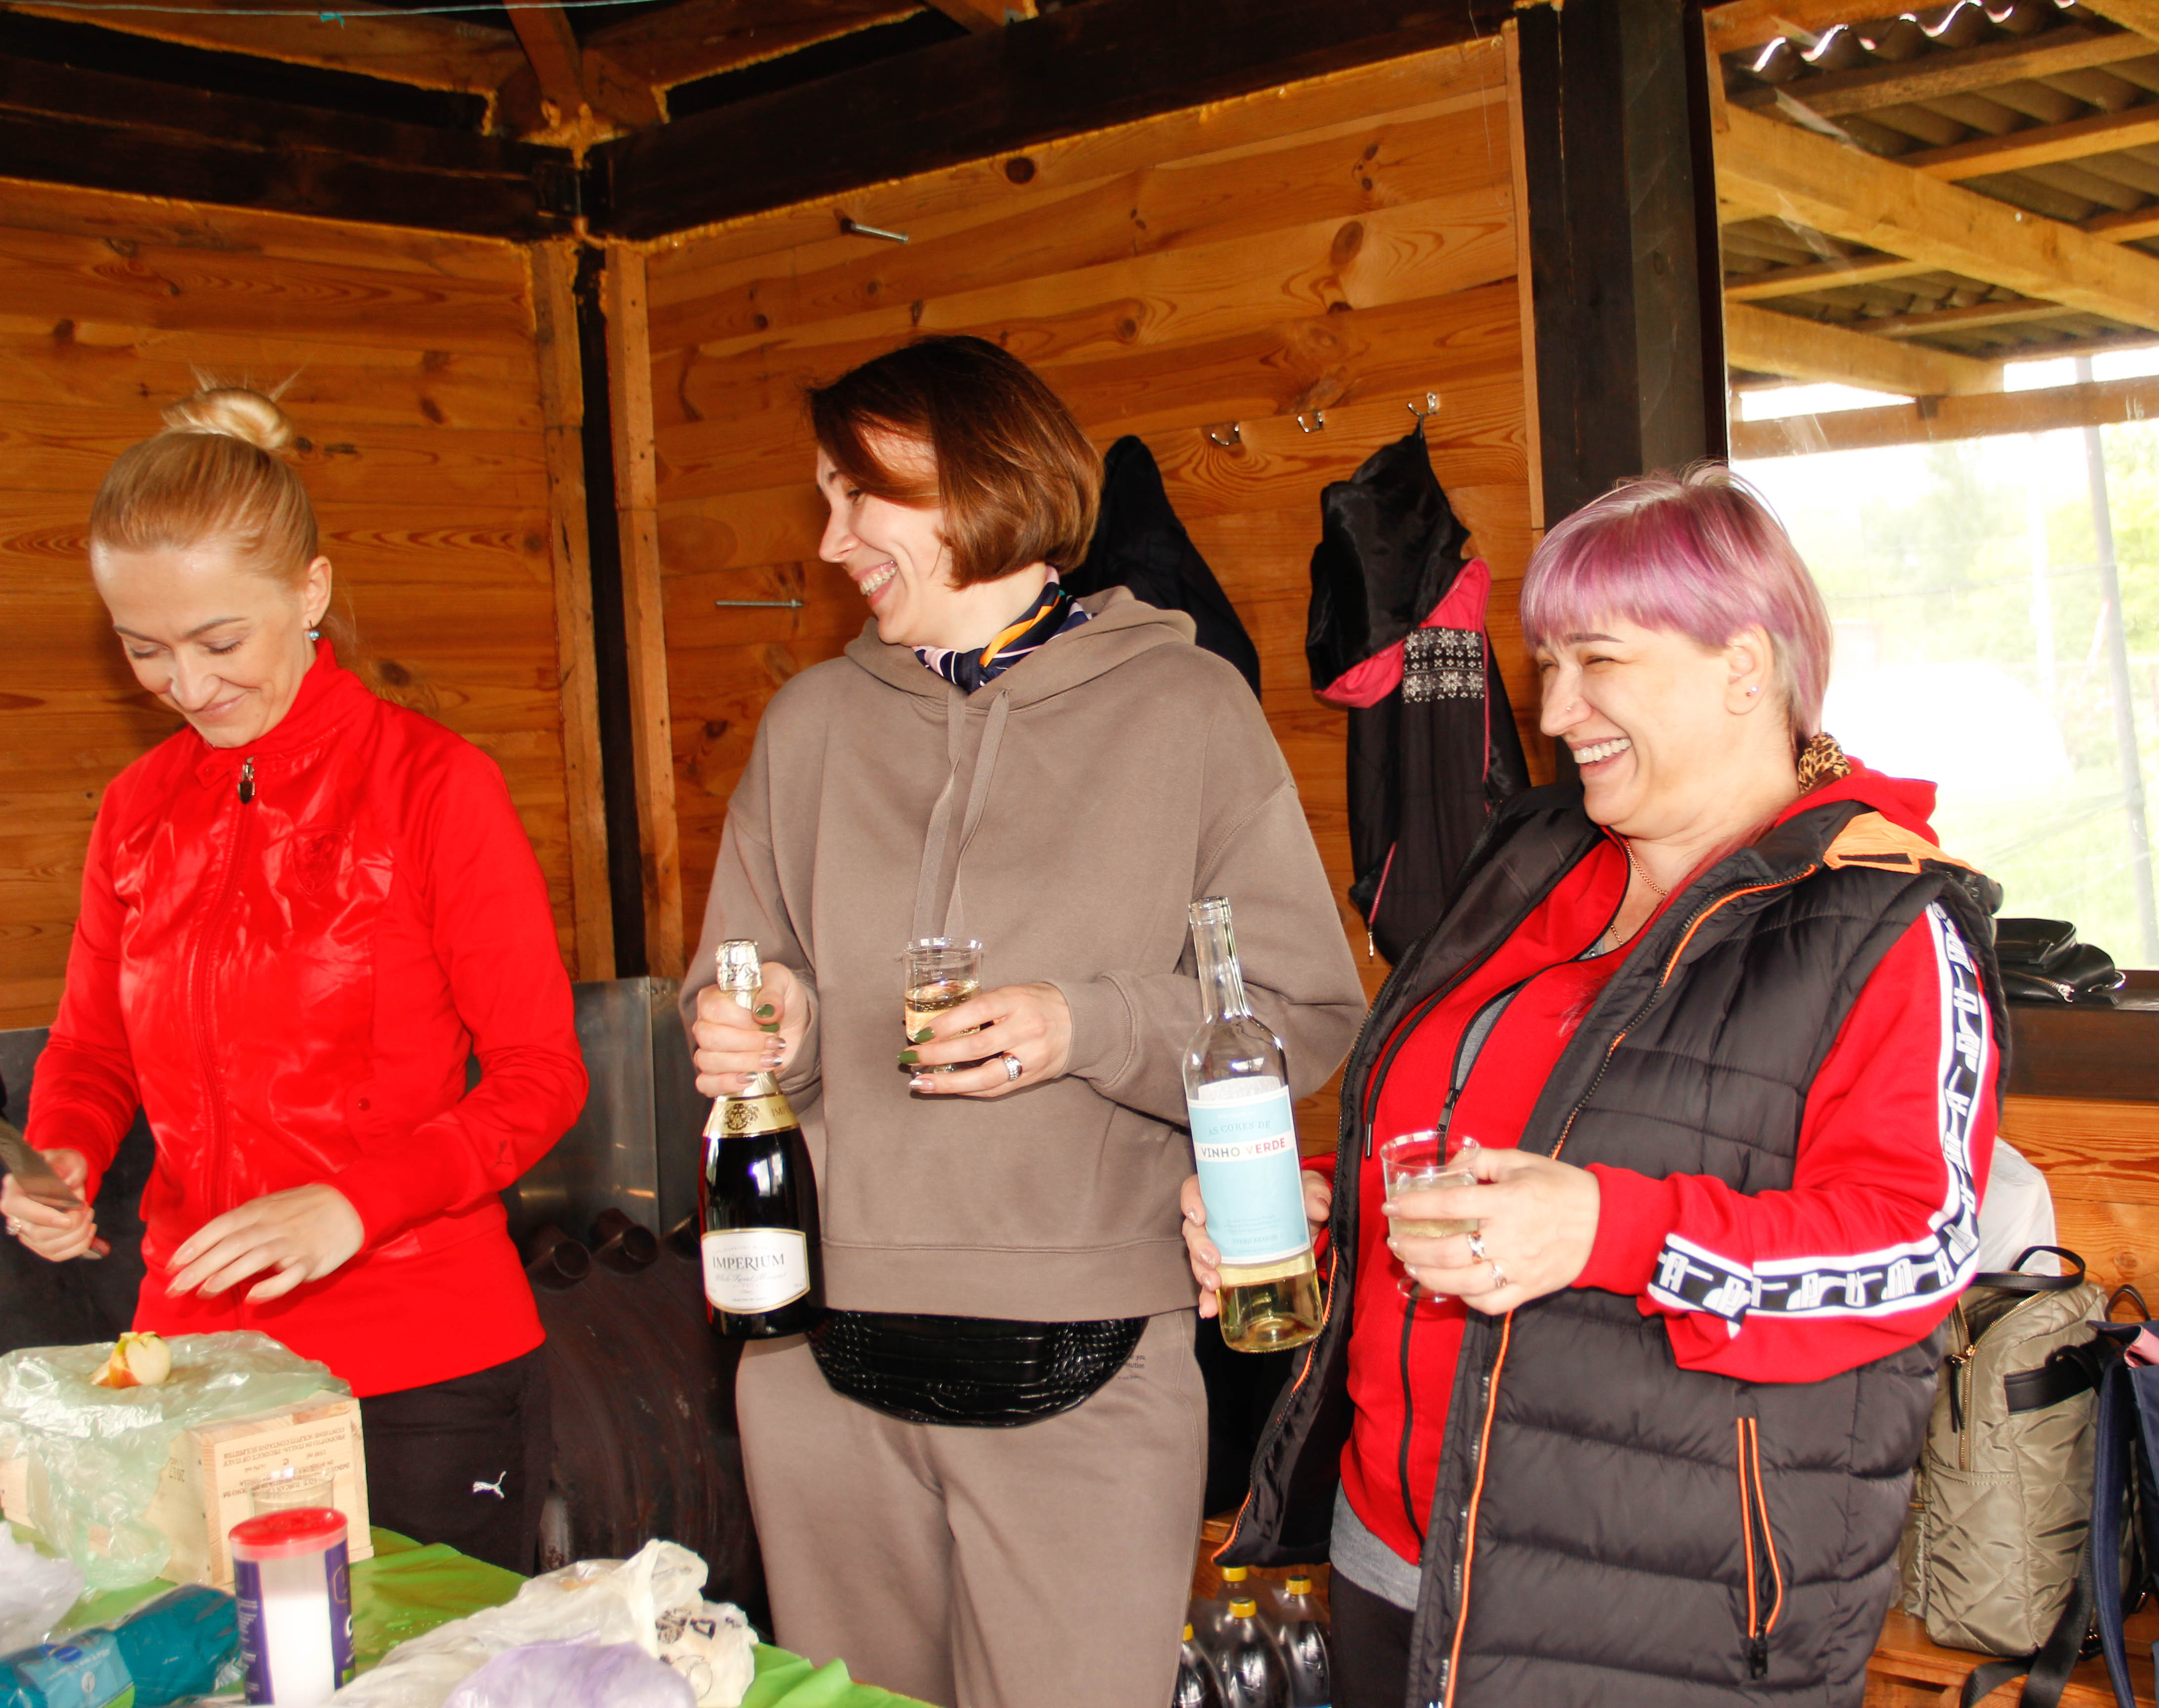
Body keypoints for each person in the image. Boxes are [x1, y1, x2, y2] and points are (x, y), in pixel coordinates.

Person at [1200, 465, 2009, 1708]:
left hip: (1655, 1615)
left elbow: (1918, 1251)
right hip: (1391, 1552)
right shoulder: (1534, 855)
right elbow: (1464, 1132)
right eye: (1546, 665)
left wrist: (1607, 1232)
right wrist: (1316, 1207)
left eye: (1599, 662)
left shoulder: (1884, 920)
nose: (1558, 707)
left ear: (1745, 669)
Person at [682, 335, 1364, 1708]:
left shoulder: (1188, 709)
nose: (829, 542)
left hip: (1086, 1362)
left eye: (858, 497)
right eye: (825, 500)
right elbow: (737, 992)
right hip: (815, 1360)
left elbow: (1303, 1011)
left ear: (978, 482)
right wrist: (769, 1032)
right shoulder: (808, 725)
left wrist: (1085, 1025)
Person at [2, 388, 587, 1573]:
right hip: (192, 1357)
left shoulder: (435, 788)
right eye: (143, 650)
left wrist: (354, 1206)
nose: (186, 683)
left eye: (220, 643)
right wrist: (61, 1152)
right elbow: (92, 1049)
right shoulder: (135, 811)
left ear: (310, 594)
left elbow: (540, 1077)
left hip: (419, 1364)